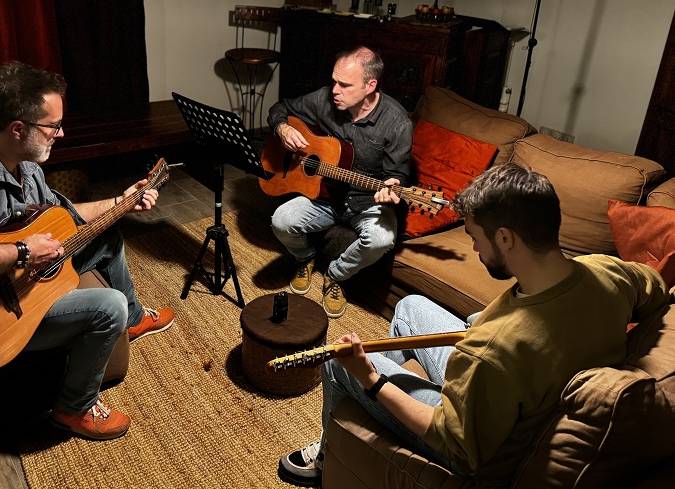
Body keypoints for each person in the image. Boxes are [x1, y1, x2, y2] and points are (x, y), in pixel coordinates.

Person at [278, 162, 672, 487]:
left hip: (483, 447)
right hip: (509, 385)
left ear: (505, 237)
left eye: (475, 236)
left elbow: (454, 444)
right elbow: (656, 294)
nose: (472, 247)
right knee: (412, 306)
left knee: (337, 361)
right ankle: (377, 401)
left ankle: (328, 456)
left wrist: (370, 379)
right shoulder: (608, 271)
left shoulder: (493, 350)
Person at [0, 61, 175, 441]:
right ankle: (73, 408)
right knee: (108, 304)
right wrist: (21, 252)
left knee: (105, 239)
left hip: (28, 281)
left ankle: (133, 321)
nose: (61, 133)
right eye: (53, 126)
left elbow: (63, 218)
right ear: (18, 129)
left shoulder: (26, 165)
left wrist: (121, 201)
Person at [267, 46, 412, 318]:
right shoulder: (324, 99)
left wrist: (391, 186)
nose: (334, 90)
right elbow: (282, 107)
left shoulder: (396, 122)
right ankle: (304, 257)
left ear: (370, 86)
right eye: (334, 81)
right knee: (281, 221)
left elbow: (398, 175)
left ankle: (335, 276)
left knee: (382, 239)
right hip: (324, 196)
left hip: (367, 201)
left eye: (344, 85)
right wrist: (282, 128)